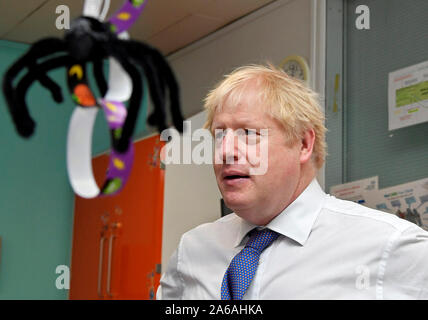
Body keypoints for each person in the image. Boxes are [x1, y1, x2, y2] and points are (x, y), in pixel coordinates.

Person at [156, 64, 428, 299]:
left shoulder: (390, 247)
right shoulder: (192, 251)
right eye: (219, 135)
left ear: (303, 144)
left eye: (248, 132)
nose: (225, 151)